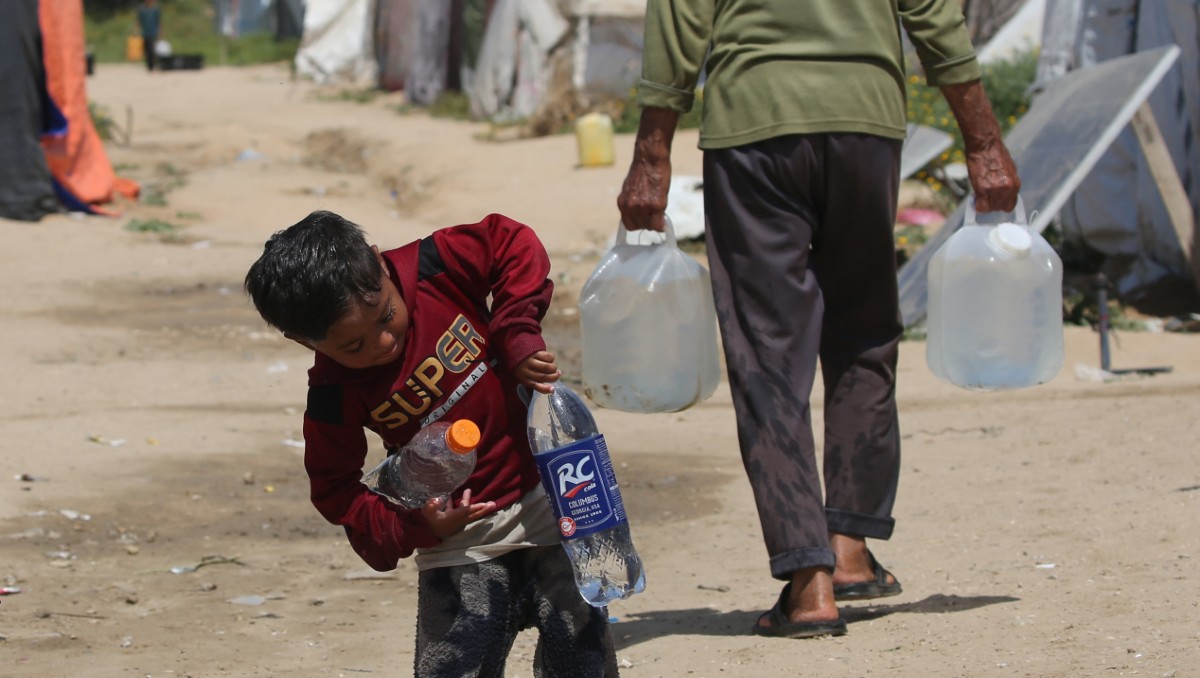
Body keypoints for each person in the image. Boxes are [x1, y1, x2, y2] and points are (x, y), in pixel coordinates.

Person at [617, 0, 1021, 639]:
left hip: (755, 127)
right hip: (866, 124)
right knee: (864, 330)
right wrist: (984, 142)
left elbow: (680, 18)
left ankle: (811, 585)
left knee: (766, 350)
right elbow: (934, 15)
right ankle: (850, 547)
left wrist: (652, 153)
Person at [245, 211, 618, 676]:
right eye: (354, 347)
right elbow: (335, 490)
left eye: (386, 315)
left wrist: (516, 332)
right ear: (304, 341)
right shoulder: (332, 394)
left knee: (583, 661)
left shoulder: (433, 266)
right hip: (460, 541)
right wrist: (413, 527)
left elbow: (512, 242)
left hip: (550, 505)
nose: (383, 342)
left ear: (380, 264)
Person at [136, 0, 160, 73]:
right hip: (145, 33)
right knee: (146, 50)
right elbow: (139, 21)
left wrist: (160, 32)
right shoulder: (142, 10)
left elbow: (158, 22)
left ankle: (153, 65)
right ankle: (149, 65)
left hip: (153, 33)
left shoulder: (155, 10)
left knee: (152, 50)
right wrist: (136, 30)